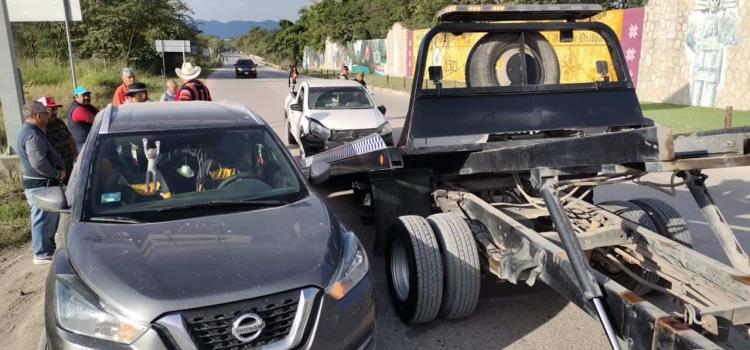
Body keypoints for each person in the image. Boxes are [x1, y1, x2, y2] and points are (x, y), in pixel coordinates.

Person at [16, 101, 66, 264]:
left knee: (47, 218)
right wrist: (56, 173)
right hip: (40, 185)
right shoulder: (32, 135)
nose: (49, 116)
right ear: (38, 115)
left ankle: (46, 249)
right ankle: (42, 253)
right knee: (42, 218)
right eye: (46, 113)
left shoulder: (32, 131)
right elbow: (38, 162)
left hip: (42, 184)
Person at [37, 97, 77, 184]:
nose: (54, 113)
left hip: (70, 165)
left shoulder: (59, 122)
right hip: (56, 171)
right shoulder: (39, 129)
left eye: (55, 109)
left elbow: (70, 138)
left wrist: (76, 156)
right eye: (49, 110)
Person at [68, 86, 99, 151]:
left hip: (88, 142)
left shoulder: (86, 106)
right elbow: (98, 120)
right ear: (76, 97)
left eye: (88, 95)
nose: (87, 97)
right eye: (84, 95)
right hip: (83, 146)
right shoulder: (78, 110)